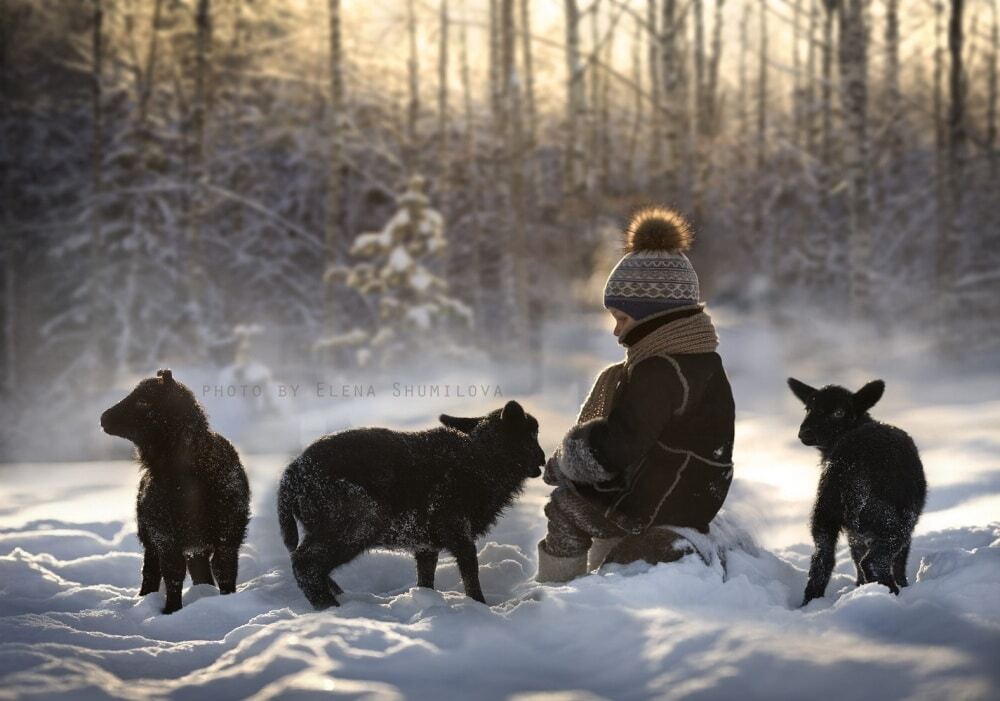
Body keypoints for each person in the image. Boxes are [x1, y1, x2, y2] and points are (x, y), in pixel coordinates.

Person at [536, 207, 735, 582]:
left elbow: (617, 446)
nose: (616, 333)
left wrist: (566, 462)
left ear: (654, 315)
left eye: (622, 319)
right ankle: (606, 570)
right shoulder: (699, 359)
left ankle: (558, 596)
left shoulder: (659, 371)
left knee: (564, 508)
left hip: (665, 500)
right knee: (601, 496)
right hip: (692, 492)